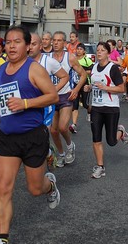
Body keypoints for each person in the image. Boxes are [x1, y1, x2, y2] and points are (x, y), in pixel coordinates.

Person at [0, 26, 60, 244]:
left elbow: (53, 96)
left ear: (28, 47)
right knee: (3, 188)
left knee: (35, 189)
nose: (11, 46)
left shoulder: (34, 69)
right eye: (8, 42)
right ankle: (2, 238)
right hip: (7, 137)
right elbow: (1, 99)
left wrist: (26, 103)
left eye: (17, 41)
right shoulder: (0, 71)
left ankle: (51, 185)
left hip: (33, 137)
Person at [28, 33, 70, 170]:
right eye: (28, 44)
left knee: (46, 132)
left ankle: (51, 155)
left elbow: (65, 77)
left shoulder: (49, 62)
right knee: (32, 136)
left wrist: (53, 90)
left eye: (33, 44)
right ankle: (48, 150)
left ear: (40, 46)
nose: (30, 47)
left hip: (47, 104)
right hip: (30, 104)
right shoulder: (23, 62)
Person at [89, 41, 128, 179]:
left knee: (111, 141)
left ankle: (121, 131)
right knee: (96, 138)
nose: (99, 52)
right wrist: (89, 87)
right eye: (98, 50)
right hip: (96, 107)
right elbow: (93, 83)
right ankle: (100, 167)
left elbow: (121, 88)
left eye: (102, 50)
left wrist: (105, 88)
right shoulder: (93, 67)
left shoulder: (112, 68)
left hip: (111, 108)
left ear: (108, 53)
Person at [50, 31, 87, 167]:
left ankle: (70, 146)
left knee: (62, 127)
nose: (55, 43)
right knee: (53, 131)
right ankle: (60, 154)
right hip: (52, 97)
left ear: (64, 43)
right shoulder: (47, 58)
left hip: (66, 96)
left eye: (59, 40)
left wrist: (76, 90)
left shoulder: (70, 58)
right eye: (54, 40)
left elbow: (83, 75)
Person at [70, 43, 93, 134]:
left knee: (85, 104)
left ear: (84, 51)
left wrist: (81, 71)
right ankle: (74, 124)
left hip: (85, 84)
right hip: (75, 84)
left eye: (80, 49)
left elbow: (90, 71)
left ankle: (89, 112)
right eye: (77, 49)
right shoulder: (73, 59)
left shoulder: (87, 60)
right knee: (74, 105)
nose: (78, 50)